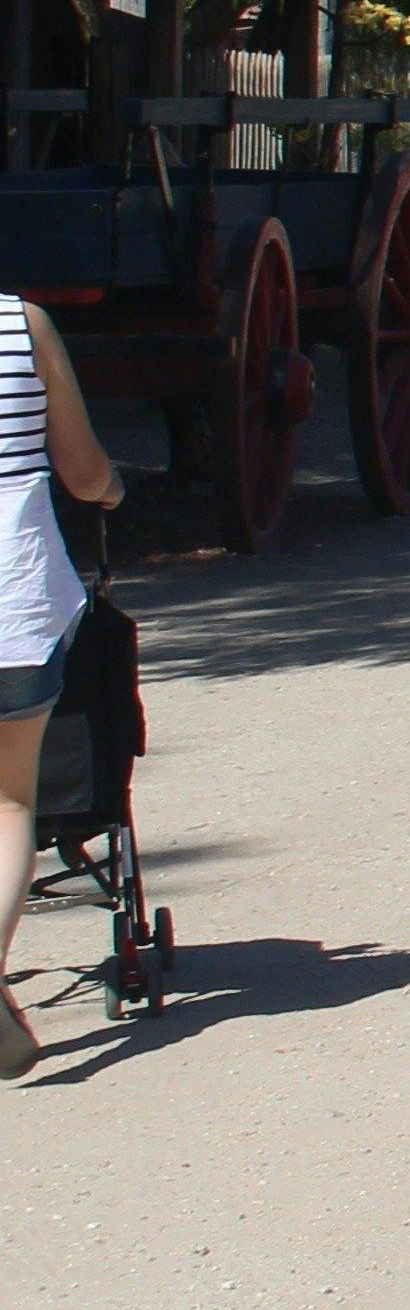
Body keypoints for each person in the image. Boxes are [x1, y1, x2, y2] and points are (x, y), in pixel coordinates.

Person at [0, 292, 129, 1081]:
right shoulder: (21, 325)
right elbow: (81, 474)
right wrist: (112, 489)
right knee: (11, 801)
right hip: (11, 601)